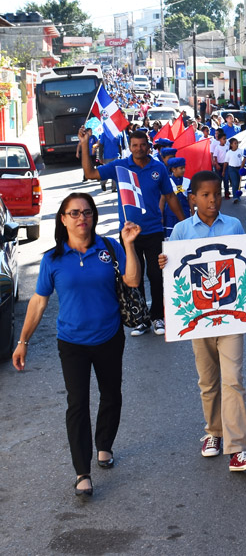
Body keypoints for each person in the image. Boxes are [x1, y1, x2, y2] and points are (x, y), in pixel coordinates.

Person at [13, 193, 142, 497]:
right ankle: (82, 472)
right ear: (63, 219)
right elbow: (39, 302)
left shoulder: (109, 247)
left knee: (111, 394)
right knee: (78, 403)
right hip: (72, 342)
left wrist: (129, 245)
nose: (82, 218)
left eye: (87, 212)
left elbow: (133, 280)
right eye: (74, 213)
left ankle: (104, 445)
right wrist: (23, 341)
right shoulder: (53, 259)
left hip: (109, 336)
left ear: (93, 217)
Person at [158, 171, 246, 472]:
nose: (212, 200)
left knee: (233, 380)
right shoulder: (181, 231)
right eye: (205, 195)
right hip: (199, 319)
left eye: (216, 194)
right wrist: (164, 263)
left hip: (231, 318)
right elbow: (173, 275)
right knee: (208, 380)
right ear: (192, 198)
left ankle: (237, 449)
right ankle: (213, 431)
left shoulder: (234, 225)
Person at [79, 128, 185, 337]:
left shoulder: (159, 168)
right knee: (134, 278)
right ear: (129, 147)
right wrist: (84, 144)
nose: (139, 149)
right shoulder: (119, 166)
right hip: (129, 235)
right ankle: (141, 319)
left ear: (148, 146)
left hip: (154, 231)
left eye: (143, 145)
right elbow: (90, 173)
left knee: (156, 275)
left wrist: (185, 223)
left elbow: (170, 196)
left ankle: (158, 317)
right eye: (135, 145)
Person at [161, 157, 191, 239]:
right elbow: (162, 200)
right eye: (181, 168)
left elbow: (190, 200)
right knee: (171, 236)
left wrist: (193, 212)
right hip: (170, 214)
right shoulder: (167, 182)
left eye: (184, 168)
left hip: (185, 212)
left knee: (185, 234)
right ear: (173, 169)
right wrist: (161, 215)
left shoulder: (187, 181)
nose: (184, 170)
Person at [222, 138, 244, 206]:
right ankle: (235, 197)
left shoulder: (241, 151)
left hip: (239, 168)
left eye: (237, 143)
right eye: (235, 143)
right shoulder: (229, 153)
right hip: (232, 169)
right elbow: (226, 162)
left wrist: (242, 167)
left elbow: (244, 159)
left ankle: (238, 195)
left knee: (239, 182)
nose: (236, 145)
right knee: (235, 182)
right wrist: (223, 171)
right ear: (231, 145)